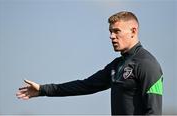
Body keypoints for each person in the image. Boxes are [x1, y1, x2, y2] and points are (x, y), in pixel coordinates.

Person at [16, 11, 163, 115]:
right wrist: (43, 90)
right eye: (110, 31)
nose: (111, 36)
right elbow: (84, 86)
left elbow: (154, 112)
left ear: (133, 30)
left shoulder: (147, 64)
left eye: (116, 31)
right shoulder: (117, 65)